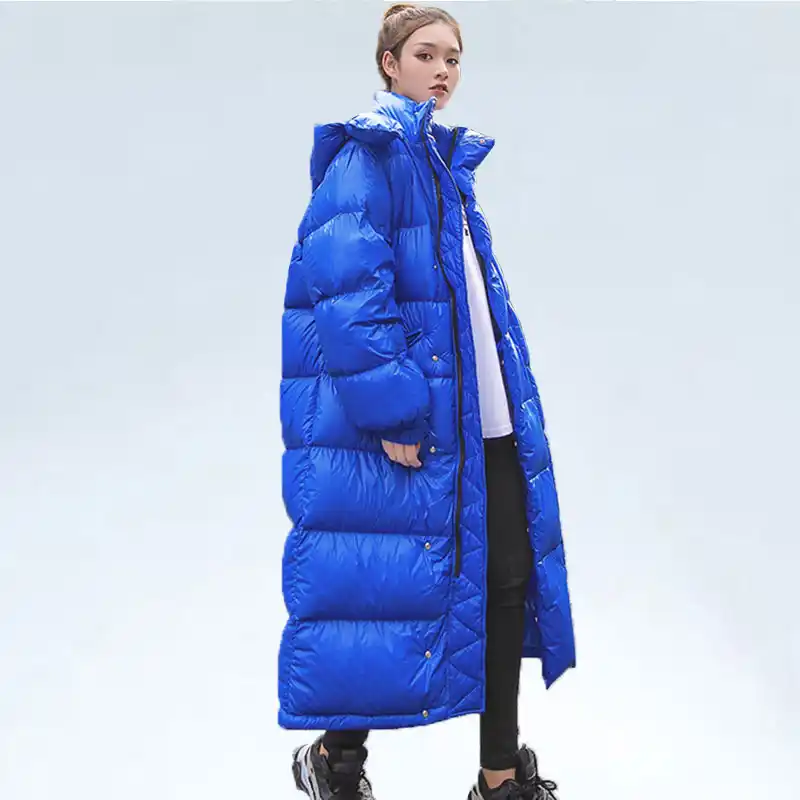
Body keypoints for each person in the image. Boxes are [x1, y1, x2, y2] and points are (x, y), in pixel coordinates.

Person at [278, 4, 576, 798]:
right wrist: (395, 410)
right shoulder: (367, 157)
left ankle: (499, 775)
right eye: (426, 54)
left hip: (485, 420)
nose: (443, 70)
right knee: (384, 590)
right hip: (423, 421)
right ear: (389, 63)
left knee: (504, 579)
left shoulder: (440, 162)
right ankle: (334, 760)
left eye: (454, 58)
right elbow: (347, 294)